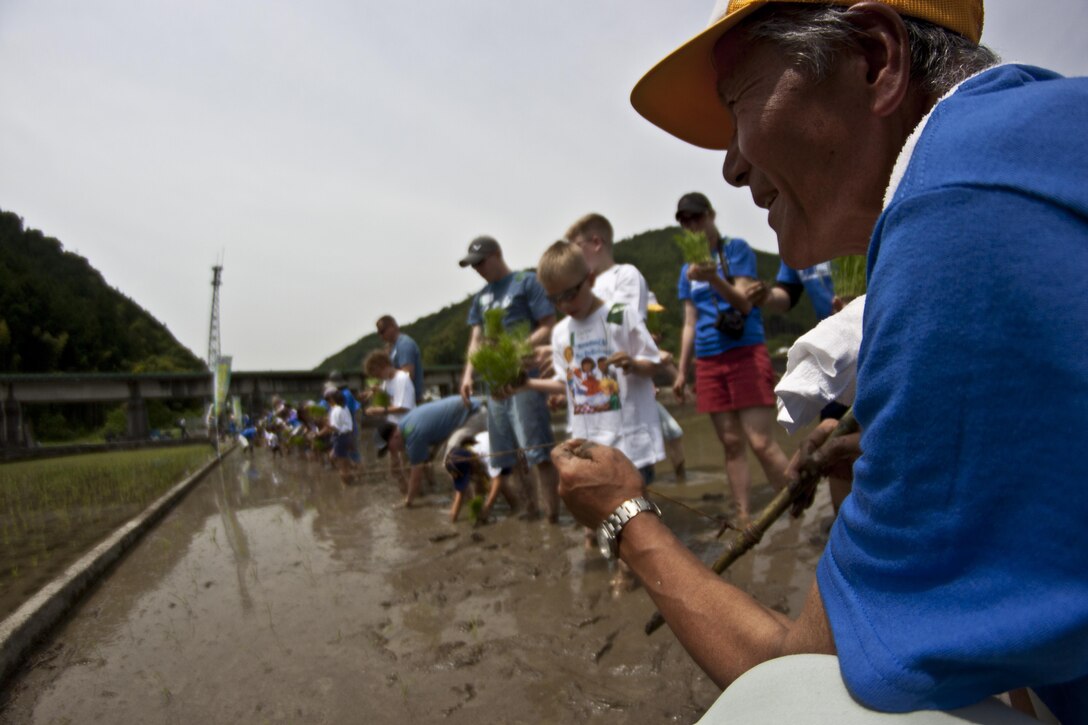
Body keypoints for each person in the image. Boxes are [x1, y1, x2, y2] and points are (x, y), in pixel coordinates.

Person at [556, 1, 1088, 721]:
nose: (733, 164)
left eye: (738, 102)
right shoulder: (1028, 137)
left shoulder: (956, 219)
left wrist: (626, 516)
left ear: (873, 60)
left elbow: (797, 673)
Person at [672, 191, 790, 523]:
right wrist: (681, 371)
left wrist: (712, 278)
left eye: (696, 217)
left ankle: (795, 502)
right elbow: (689, 322)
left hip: (744, 351)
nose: (692, 225)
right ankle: (744, 517)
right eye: (685, 220)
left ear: (710, 215)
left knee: (761, 442)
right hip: (708, 360)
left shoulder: (734, 249)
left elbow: (745, 303)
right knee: (731, 442)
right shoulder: (686, 271)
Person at [567, 213, 688, 481]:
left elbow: (620, 329)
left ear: (596, 242)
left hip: (626, 409)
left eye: (576, 248)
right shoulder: (580, 289)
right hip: (595, 413)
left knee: (632, 489)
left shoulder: (625, 275)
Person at [458, 235, 561, 522]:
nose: (477, 269)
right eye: (472, 266)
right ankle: (530, 511)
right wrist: (468, 374)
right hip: (493, 387)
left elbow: (547, 326)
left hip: (523, 379)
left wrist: (515, 350)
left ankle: (552, 517)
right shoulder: (481, 298)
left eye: (480, 262)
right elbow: (475, 338)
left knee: (536, 449)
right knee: (507, 455)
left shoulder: (526, 282)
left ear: (497, 255)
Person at [376, 395, 485, 508]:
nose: (391, 452)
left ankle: (472, 502)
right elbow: (438, 431)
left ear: (395, 436)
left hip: (474, 414)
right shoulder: (404, 424)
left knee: (450, 462)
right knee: (454, 456)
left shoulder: (412, 435)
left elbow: (416, 475)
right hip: (468, 412)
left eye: (389, 448)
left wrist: (408, 501)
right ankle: (478, 491)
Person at [376, 315, 425, 404]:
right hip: (402, 400)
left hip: (410, 401)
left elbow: (407, 374)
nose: (381, 336)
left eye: (382, 331)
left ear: (392, 326)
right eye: (379, 333)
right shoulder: (393, 347)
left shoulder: (404, 344)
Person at [363, 350, 416, 424]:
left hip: (406, 423)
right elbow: (389, 392)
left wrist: (380, 410)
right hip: (394, 422)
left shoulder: (401, 379)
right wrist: (375, 390)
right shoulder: (387, 380)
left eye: (378, 375)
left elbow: (403, 407)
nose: (378, 378)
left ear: (384, 366)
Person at [318, 388, 355, 485]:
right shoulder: (343, 408)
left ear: (331, 400)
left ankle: (347, 483)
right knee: (335, 457)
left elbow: (335, 427)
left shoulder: (336, 410)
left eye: (327, 401)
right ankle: (351, 472)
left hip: (340, 437)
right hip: (345, 436)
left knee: (342, 464)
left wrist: (326, 425)